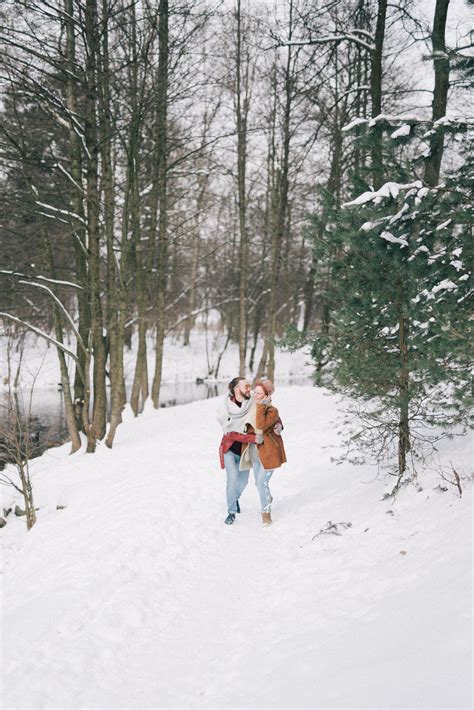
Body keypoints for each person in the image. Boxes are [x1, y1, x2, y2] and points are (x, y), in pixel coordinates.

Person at [240, 380, 286, 526]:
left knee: (261, 483)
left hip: (269, 452)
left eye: (259, 393)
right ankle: (267, 498)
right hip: (254, 451)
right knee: (259, 484)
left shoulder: (272, 411)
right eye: (255, 391)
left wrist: (262, 405)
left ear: (267, 395)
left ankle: (266, 514)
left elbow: (261, 425)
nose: (255, 395)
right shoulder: (251, 407)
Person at [216, 377, 256, 525]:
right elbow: (229, 431)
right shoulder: (225, 406)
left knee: (243, 482)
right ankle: (231, 512)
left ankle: (235, 498)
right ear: (236, 389)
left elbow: (267, 411)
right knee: (232, 480)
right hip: (230, 449)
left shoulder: (252, 403)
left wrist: (278, 425)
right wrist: (251, 437)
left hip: (245, 451)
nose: (249, 388)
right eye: (246, 386)